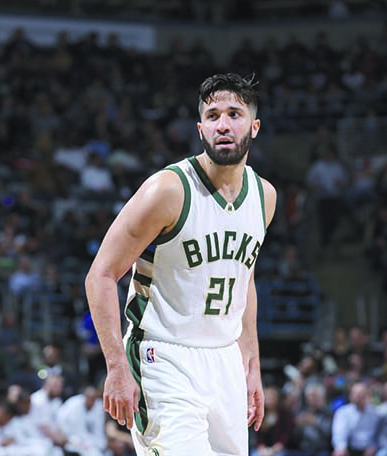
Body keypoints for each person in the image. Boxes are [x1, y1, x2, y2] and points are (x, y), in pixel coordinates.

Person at [85, 72, 277, 455]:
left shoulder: (264, 196)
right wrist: (116, 366)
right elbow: (101, 275)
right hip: (164, 356)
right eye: (213, 115)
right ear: (200, 127)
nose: (223, 124)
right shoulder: (168, 190)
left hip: (224, 360)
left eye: (234, 114)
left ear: (254, 127)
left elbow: (243, 280)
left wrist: (251, 362)